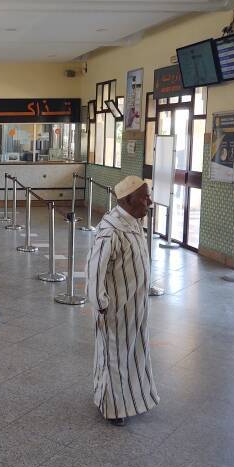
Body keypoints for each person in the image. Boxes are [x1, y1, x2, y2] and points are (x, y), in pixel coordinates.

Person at [87, 175, 159, 427]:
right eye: (144, 197)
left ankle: (133, 398)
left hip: (135, 305)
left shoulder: (132, 221)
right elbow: (95, 269)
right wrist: (100, 303)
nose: (149, 202)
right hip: (116, 308)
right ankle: (114, 407)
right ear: (129, 200)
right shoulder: (110, 229)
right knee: (115, 355)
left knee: (135, 351)